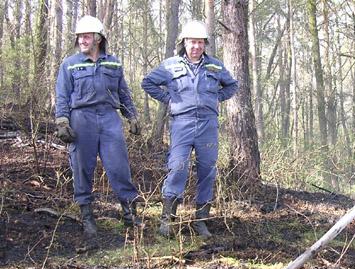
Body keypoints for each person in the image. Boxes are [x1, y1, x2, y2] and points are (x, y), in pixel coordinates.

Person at [141, 20, 238, 238]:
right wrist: (168, 99)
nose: (196, 46)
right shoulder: (170, 65)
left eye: (200, 42)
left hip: (207, 125)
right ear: (184, 42)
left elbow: (232, 85)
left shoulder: (215, 66)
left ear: (205, 44)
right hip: (181, 123)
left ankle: (201, 221)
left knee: (207, 170)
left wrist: (217, 98)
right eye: (192, 42)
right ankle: (167, 220)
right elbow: (147, 83)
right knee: (177, 167)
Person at [55, 15, 142, 243]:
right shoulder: (69, 64)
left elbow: (123, 93)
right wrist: (62, 121)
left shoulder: (113, 63)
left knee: (119, 166)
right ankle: (87, 217)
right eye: (80, 37)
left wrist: (131, 116)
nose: (82, 40)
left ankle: (130, 213)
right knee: (82, 168)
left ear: (98, 39)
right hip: (81, 118)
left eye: (86, 36)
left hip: (109, 117)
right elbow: (62, 96)